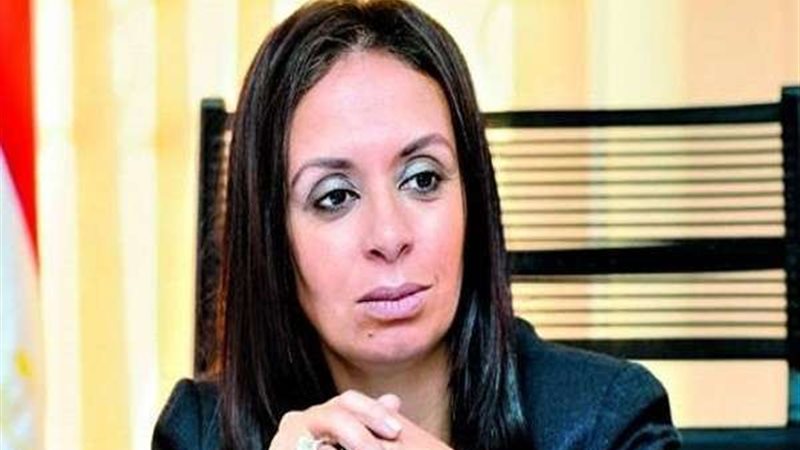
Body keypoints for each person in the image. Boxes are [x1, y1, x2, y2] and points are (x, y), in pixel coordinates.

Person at [153, 1, 681, 449]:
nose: (389, 236)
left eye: (423, 179)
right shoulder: (197, 432)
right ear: (272, 238)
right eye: (334, 196)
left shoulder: (610, 422)